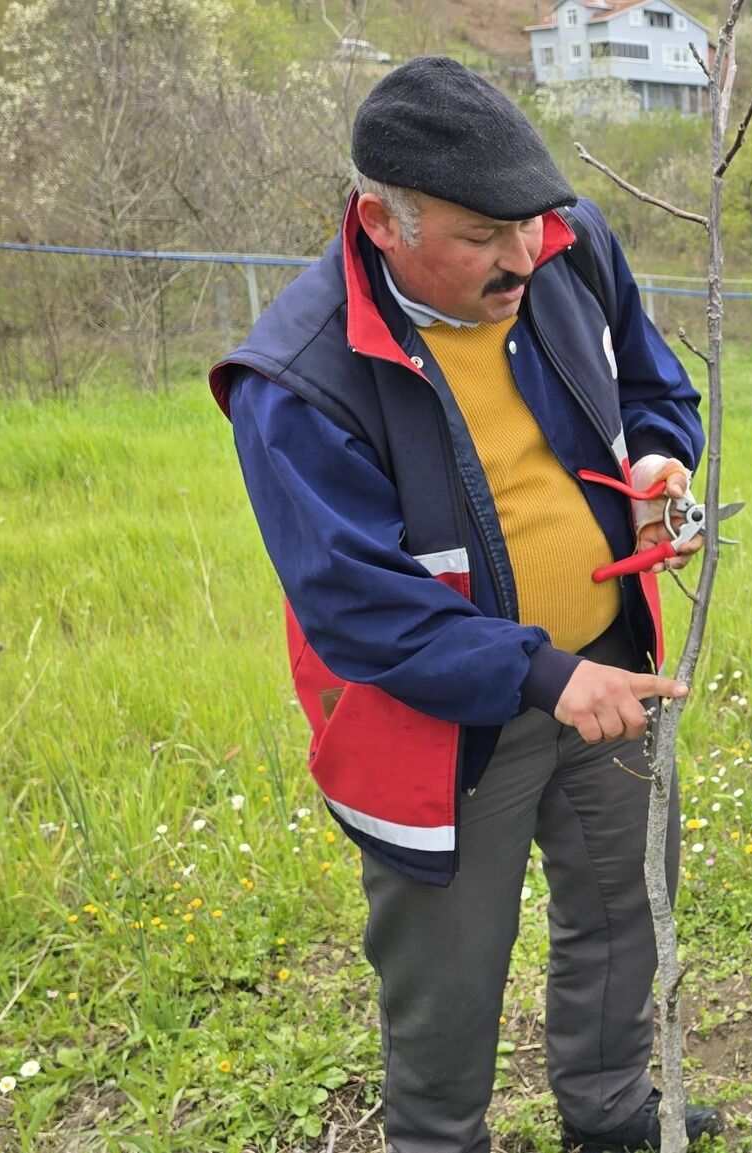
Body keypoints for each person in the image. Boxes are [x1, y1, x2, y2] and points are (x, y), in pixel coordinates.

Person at [210, 56, 722, 1153]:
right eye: (483, 236)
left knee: (622, 914)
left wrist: (661, 464)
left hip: (606, 669)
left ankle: (613, 1112)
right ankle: (442, 1139)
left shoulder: (567, 246)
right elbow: (357, 607)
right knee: (445, 975)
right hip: (438, 727)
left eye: (531, 222)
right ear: (381, 221)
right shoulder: (297, 378)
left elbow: (653, 383)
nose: (523, 253)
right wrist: (543, 674)